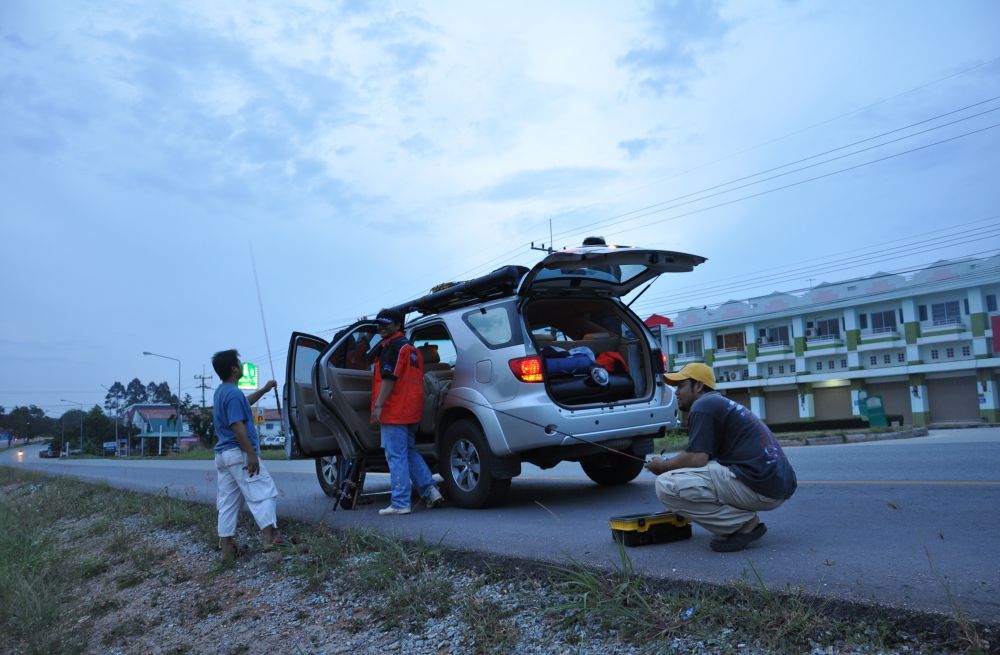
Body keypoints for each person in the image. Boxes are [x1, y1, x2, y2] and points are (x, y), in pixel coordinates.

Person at [645, 363, 797, 552]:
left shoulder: (704, 405)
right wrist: (682, 504)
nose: (676, 392)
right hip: (775, 485)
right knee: (679, 480)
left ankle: (744, 525)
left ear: (699, 386)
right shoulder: (719, 404)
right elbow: (702, 461)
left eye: (681, 385)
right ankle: (740, 520)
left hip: (761, 487)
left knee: (666, 485)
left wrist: (664, 466)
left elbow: (697, 458)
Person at [369, 308, 443, 515]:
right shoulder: (412, 350)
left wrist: (378, 405)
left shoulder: (392, 348)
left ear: (398, 325)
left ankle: (401, 503)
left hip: (394, 410)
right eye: (379, 324)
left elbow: (388, 378)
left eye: (386, 324)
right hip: (412, 410)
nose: (381, 327)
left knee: (396, 456)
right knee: (408, 451)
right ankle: (430, 491)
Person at [211, 349, 280, 559]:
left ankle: (227, 549)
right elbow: (237, 424)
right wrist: (251, 454)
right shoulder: (233, 393)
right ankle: (270, 541)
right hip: (238, 453)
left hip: (223, 456)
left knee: (228, 502)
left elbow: (244, 403)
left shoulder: (223, 391)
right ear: (234, 368)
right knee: (263, 492)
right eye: (238, 362)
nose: (241, 365)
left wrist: (265, 390)